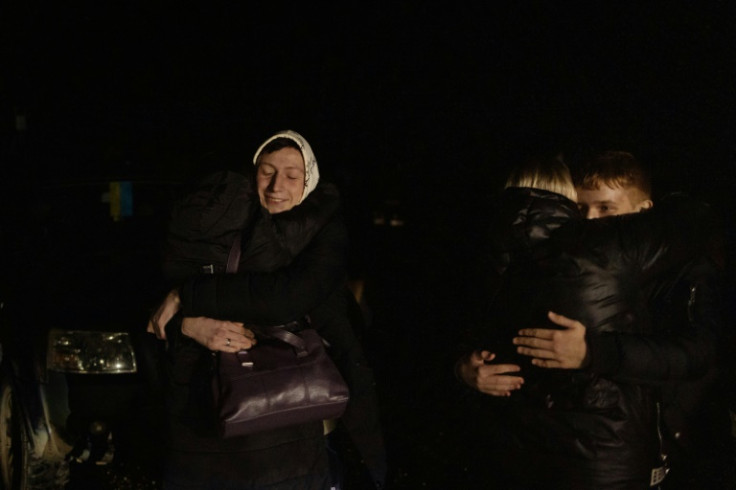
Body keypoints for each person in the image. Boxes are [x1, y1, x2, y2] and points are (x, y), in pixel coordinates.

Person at [456, 156, 714, 488]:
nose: (590, 221)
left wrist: (594, 351)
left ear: (646, 210)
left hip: (671, 450)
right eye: (581, 210)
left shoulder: (683, 271)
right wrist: (465, 367)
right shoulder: (556, 263)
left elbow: (699, 354)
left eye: (606, 209)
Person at [148, 130, 386, 490]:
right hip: (227, 420)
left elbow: (284, 298)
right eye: (266, 171)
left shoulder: (325, 230)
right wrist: (187, 322)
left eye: (292, 176)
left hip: (310, 406)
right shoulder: (231, 224)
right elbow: (155, 300)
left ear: (309, 181)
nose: (277, 186)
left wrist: (186, 297)